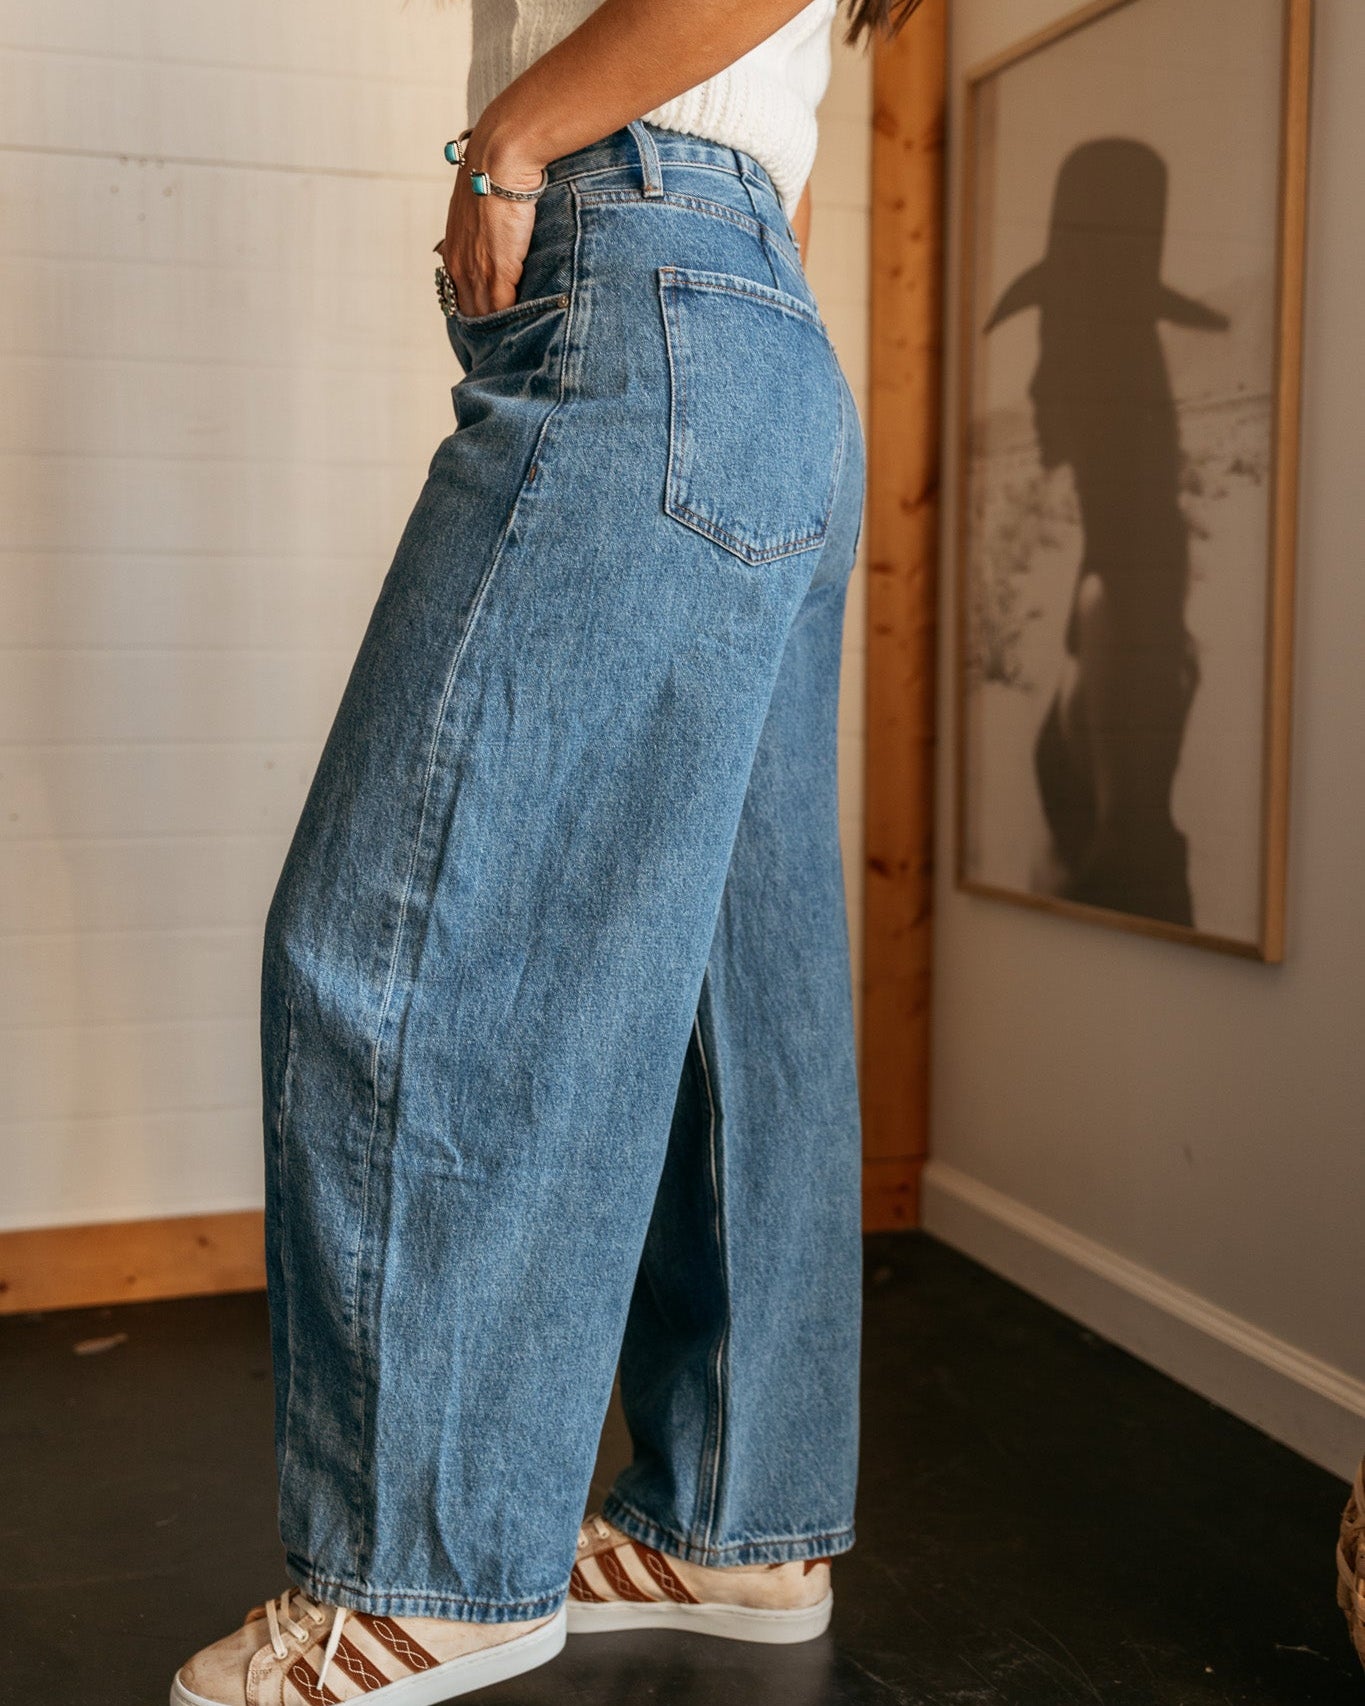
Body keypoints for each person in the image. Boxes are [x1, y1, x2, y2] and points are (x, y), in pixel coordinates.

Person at [172, 0, 922, 1700]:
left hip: (645, 282)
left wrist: (512, 138)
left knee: (399, 936)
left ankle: (433, 1572)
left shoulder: (563, 163)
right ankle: (734, 1517)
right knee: (743, 977)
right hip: (754, 330)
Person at [984, 139, 1229, 929]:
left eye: (1054, 346)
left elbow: (1132, 865)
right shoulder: (1119, 572)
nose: (1032, 381)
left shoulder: (1120, 598)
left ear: (1098, 370)